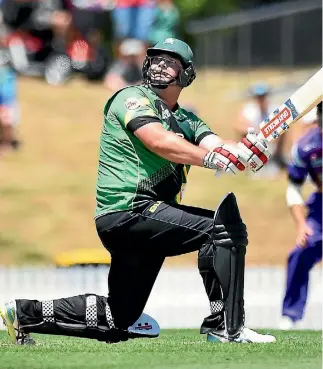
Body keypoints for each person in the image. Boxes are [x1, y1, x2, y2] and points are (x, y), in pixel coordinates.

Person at [0, 38, 276, 345]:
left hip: (144, 224)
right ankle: (225, 325)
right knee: (222, 229)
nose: (159, 64)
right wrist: (215, 158)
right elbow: (157, 139)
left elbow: (217, 146)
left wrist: (248, 151)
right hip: (129, 211)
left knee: (118, 320)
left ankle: (23, 313)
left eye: (169, 61)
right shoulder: (130, 97)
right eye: (156, 58)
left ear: (186, 73)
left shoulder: (188, 120)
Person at [279, 102, 322, 330]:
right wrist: (301, 224)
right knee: (300, 253)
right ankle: (290, 315)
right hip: (320, 211)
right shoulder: (306, 147)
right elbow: (293, 188)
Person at [234, 83, 286, 177]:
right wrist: (257, 131)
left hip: (271, 143)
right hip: (254, 144)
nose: (260, 99)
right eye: (258, 97)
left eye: (262, 96)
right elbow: (238, 125)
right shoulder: (248, 110)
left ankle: (277, 159)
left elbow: (283, 125)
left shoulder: (273, 109)